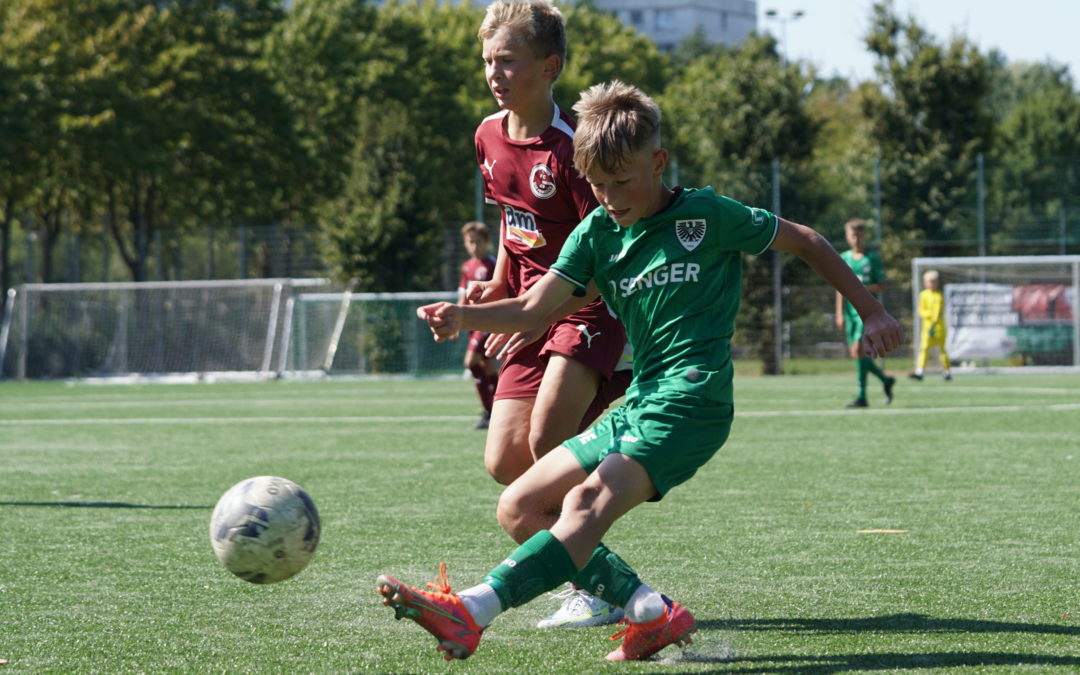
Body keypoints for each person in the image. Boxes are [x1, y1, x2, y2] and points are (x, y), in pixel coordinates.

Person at [379, 80, 905, 663]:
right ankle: (650, 612)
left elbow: (804, 240)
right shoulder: (598, 233)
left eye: (622, 182)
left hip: (693, 400)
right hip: (641, 401)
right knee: (520, 506)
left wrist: (873, 309)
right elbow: (533, 307)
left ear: (658, 164)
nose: (610, 197)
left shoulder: (705, 215)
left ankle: (470, 612)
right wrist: (463, 314)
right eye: (598, 185)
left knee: (584, 506)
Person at [465, 0, 630, 628]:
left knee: (545, 443)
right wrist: (498, 287)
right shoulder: (486, 134)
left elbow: (610, 256)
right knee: (505, 463)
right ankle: (600, 577)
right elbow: (514, 223)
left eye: (508, 60)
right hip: (530, 312)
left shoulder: (574, 151)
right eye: (487, 61)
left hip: (586, 309)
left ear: (550, 66)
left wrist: (537, 312)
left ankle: (592, 589)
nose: (494, 73)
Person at [835, 218, 896, 408]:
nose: (856, 239)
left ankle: (862, 397)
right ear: (847, 237)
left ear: (864, 236)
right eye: (853, 235)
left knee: (858, 350)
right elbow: (838, 286)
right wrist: (839, 313)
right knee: (856, 354)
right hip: (849, 312)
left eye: (859, 235)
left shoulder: (872, 259)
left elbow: (882, 285)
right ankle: (885, 380)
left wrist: (862, 289)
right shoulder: (844, 258)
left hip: (866, 312)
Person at [458, 221, 500, 429]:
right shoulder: (467, 267)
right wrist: (457, 319)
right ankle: (499, 408)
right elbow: (463, 298)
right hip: (472, 323)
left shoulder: (492, 265)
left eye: (478, 242)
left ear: (487, 242)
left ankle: (489, 410)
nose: (474, 247)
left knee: (470, 363)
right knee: (488, 366)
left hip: (486, 322)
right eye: (470, 242)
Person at [910, 269, 952, 381]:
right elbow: (921, 311)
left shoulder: (939, 296)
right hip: (927, 327)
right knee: (924, 349)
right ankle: (920, 371)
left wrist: (933, 322)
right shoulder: (923, 295)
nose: (931, 284)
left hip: (939, 328)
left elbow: (938, 313)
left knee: (942, 350)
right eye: (929, 282)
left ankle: (947, 371)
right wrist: (929, 316)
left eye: (933, 282)